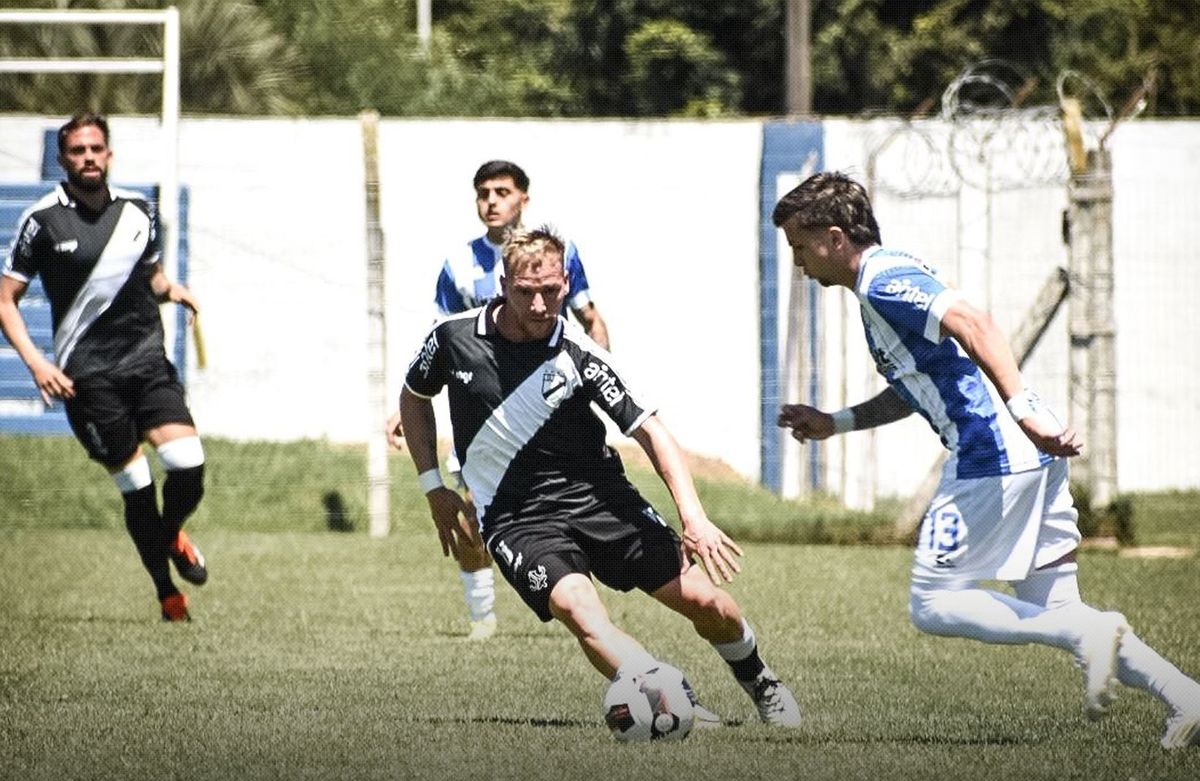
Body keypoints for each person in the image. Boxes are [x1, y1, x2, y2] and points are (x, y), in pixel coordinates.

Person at [772, 171, 1200, 749]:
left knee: (932, 603)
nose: (799, 263)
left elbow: (976, 324)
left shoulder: (882, 281)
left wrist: (1022, 409)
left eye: (800, 246)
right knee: (1058, 609)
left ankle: (1095, 636)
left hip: (991, 453)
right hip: (1025, 457)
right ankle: (1187, 700)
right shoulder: (884, 279)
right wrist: (837, 422)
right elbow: (917, 383)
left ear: (835, 237)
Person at [397, 227, 801, 728]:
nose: (541, 305)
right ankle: (671, 702)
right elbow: (414, 396)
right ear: (502, 284)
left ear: (566, 283)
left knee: (704, 601)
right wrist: (433, 486)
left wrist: (693, 517)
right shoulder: (452, 339)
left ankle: (760, 680)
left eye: (551, 291)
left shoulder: (580, 353)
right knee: (577, 608)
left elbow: (650, 428)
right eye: (526, 292)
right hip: (516, 517)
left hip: (600, 499)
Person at [0, 112, 208, 623]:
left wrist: (173, 290)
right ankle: (166, 592)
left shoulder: (140, 212)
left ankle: (169, 534)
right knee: (135, 484)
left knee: (188, 465)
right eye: (77, 151)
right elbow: (6, 300)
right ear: (62, 158)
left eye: (96, 149)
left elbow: (152, 277)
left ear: (109, 155)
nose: (88, 158)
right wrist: (35, 362)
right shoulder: (41, 221)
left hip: (146, 363)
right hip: (88, 378)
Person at [392, 160, 611, 642]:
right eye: (482, 193)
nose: (490, 201)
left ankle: (575, 588)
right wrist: (404, 406)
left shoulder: (558, 254)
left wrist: (601, 383)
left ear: (524, 200)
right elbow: (437, 340)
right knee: (472, 512)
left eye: (502, 191)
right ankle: (483, 616)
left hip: (550, 412)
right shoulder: (458, 264)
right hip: (482, 413)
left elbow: (592, 318)